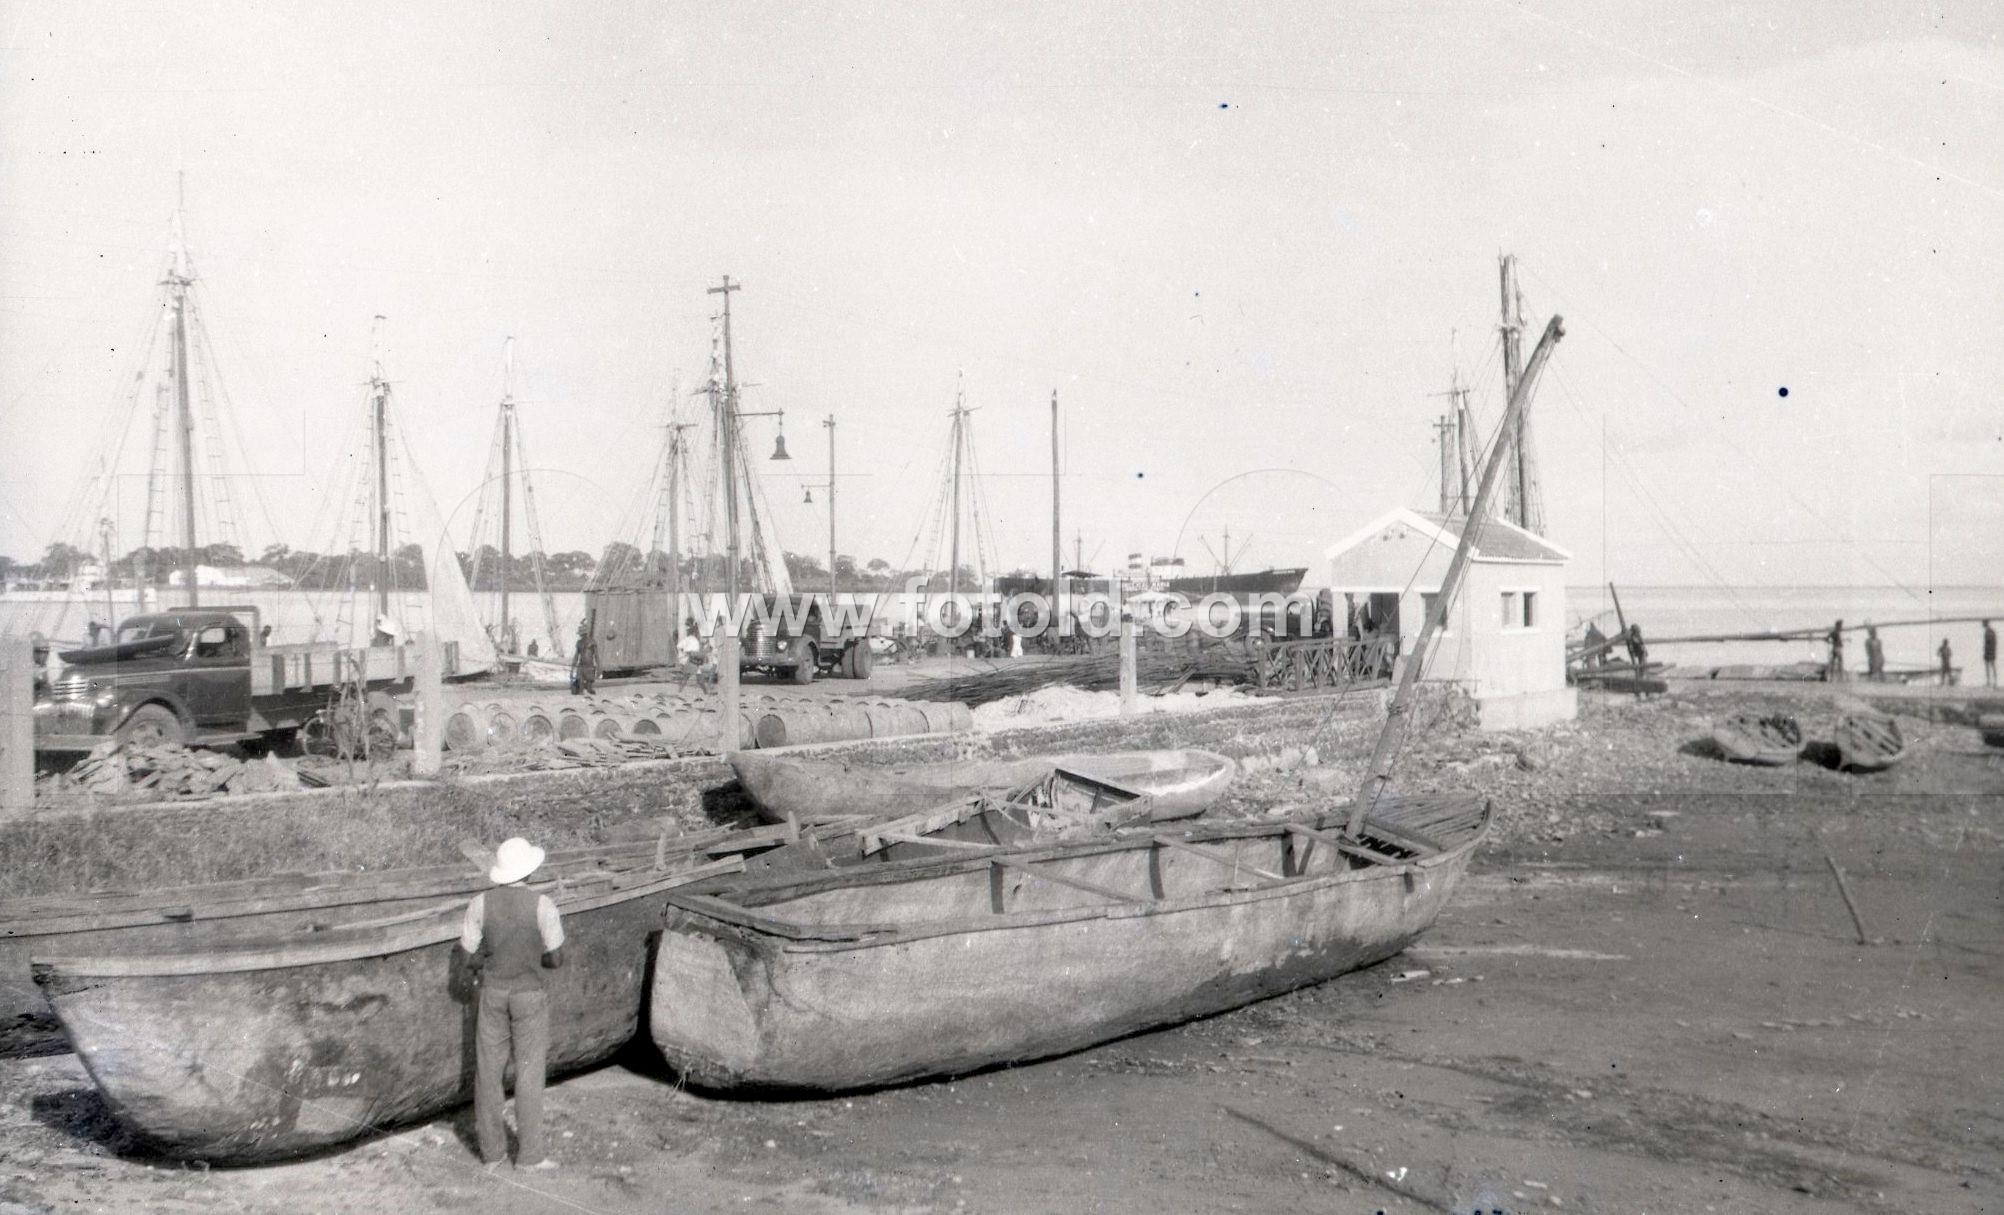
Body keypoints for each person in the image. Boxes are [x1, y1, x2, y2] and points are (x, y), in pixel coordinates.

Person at [458, 837, 564, 1172]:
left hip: (492, 994)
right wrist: (535, 960)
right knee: (529, 1074)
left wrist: (490, 961)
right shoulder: (543, 905)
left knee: (488, 1074)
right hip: (529, 995)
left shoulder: (479, 903)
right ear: (529, 871)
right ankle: (529, 1156)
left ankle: (492, 1154)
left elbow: (469, 958)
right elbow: (556, 958)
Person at [1984, 620, 1996, 688]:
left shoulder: (1989, 632)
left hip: (1989, 652)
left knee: (1990, 666)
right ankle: (1991, 681)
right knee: (1990, 666)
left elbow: (1989, 643)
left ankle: (1992, 681)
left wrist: (1987, 652)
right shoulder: (1991, 632)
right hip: (1990, 652)